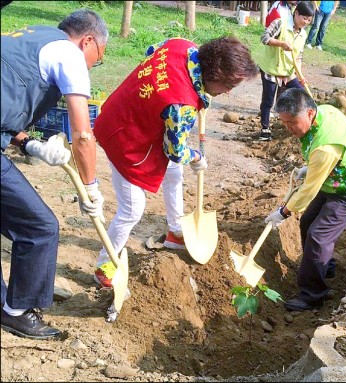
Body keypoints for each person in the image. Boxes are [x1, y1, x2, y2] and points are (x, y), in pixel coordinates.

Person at [91, 37, 258, 288]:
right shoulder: (181, 105)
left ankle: (176, 231)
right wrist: (197, 157)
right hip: (124, 138)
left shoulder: (181, 46)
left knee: (173, 174)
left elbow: (151, 49)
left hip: (127, 110)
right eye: (228, 85)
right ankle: (106, 264)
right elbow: (176, 151)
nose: (229, 92)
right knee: (132, 209)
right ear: (215, 74)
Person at [1, 9, 108, 339]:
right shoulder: (69, 54)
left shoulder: (30, 35)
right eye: (97, 59)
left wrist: (29, 144)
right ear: (87, 41)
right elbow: (83, 135)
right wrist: (90, 186)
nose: (91, 66)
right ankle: (18, 311)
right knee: (40, 226)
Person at [265, 88, 346, 311]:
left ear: (308, 113)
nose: (288, 128)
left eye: (291, 122)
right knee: (308, 221)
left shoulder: (324, 148)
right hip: (336, 180)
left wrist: (283, 212)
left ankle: (312, 294)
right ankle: (324, 266)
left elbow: (308, 192)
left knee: (318, 236)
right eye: (284, 123)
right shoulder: (325, 111)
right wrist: (312, 167)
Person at [255, 1, 315, 142]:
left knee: (302, 94)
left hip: (287, 71)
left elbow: (299, 56)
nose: (306, 22)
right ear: (296, 13)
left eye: (309, 20)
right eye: (304, 18)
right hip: (271, 68)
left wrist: (300, 75)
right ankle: (265, 129)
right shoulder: (280, 23)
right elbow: (264, 38)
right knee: (268, 101)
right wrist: (280, 44)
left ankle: (297, 123)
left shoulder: (303, 34)